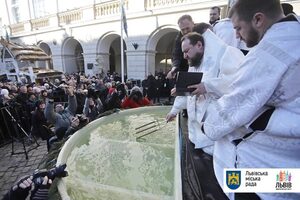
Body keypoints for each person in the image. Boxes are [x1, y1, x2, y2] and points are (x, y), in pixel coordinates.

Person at [200, 0, 300, 199]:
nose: (236, 35)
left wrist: (205, 123)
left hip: (263, 168)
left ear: (258, 19)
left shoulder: (266, 54)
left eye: (238, 28)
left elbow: (233, 108)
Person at [166, 31, 244, 199]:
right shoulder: (194, 63)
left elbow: (240, 84)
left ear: (199, 45)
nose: (185, 56)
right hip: (198, 135)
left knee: (222, 182)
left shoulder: (226, 53)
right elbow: (188, 92)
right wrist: (174, 110)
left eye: (187, 51)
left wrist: (207, 86)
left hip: (217, 137)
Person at [166, 15, 194, 79]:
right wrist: (175, 67)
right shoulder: (178, 38)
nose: (185, 32)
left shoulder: (203, 30)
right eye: (182, 30)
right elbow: (176, 54)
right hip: (186, 67)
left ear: (193, 23)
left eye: (187, 28)